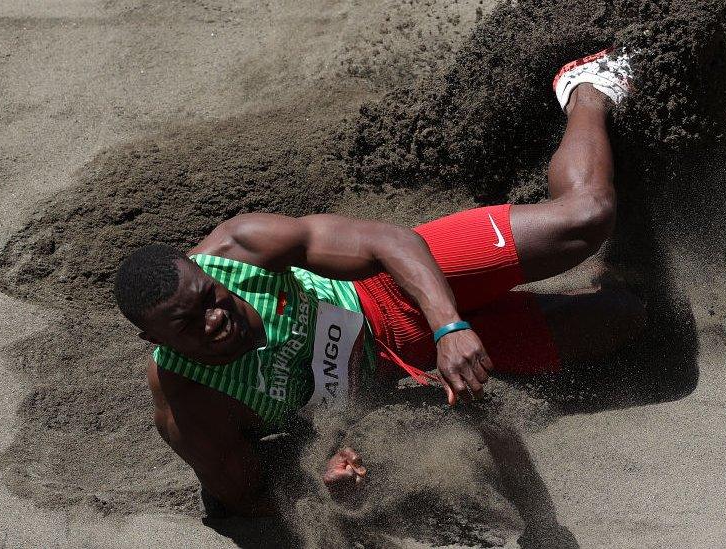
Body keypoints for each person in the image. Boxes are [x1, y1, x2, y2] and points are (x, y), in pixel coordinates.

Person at [114, 50, 644, 517]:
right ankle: (604, 262)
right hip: (387, 381)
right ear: (155, 341)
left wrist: (449, 325)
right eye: (188, 324)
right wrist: (321, 484)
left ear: (208, 273)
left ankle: (587, 87)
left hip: (385, 290)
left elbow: (389, 242)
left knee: (586, 217)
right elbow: (249, 498)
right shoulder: (187, 403)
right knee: (628, 319)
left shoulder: (242, 246)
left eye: (209, 298)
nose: (215, 319)